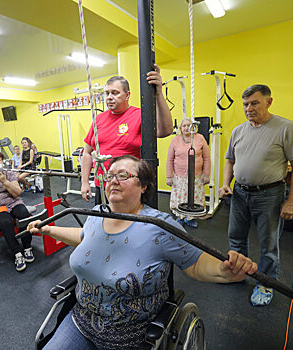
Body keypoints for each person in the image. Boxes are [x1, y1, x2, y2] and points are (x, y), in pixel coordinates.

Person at [29, 155, 257, 350]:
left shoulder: (158, 226)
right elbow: (83, 237)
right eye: (109, 176)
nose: (113, 181)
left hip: (130, 337)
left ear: (144, 186)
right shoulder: (98, 213)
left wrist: (224, 271)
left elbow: (196, 263)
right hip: (80, 322)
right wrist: (49, 230)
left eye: (124, 175)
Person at [218, 84, 293, 307]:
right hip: (239, 193)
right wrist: (225, 184)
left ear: (269, 102)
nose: (249, 108)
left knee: (269, 244)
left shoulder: (287, 128)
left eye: (254, 103)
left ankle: (266, 283)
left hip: (270, 194)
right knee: (236, 238)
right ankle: (237, 274)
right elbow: (230, 160)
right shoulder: (239, 130)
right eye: (245, 104)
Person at [80, 65, 174, 204]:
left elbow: (165, 131)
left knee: (129, 224)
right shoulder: (98, 119)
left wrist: (158, 93)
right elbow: (87, 152)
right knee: (105, 223)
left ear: (127, 95)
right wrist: (85, 182)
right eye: (107, 93)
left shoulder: (139, 115)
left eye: (115, 93)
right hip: (103, 186)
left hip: (128, 187)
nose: (109, 97)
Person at [0, 150, 34, 272]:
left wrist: (5, 181)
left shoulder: (10, 174)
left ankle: (27, 248)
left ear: (3, 161)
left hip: (13, 201)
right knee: (6, 222)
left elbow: (17, 193)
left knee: (24, 214)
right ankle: (17, 254)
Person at [166, 118, 211, 228]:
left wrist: (206, 174)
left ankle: (190, 218)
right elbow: (169, 159)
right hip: (179, 176)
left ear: (194, 127)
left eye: (189, 125)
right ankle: (180, 218)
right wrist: (169, 176)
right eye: (184, 126)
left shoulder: (200, 138)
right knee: (180, 198)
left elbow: (207, 158)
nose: (186, 128)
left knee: (194, 198)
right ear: (181, 128)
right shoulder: (175, 140)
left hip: (196, 175)